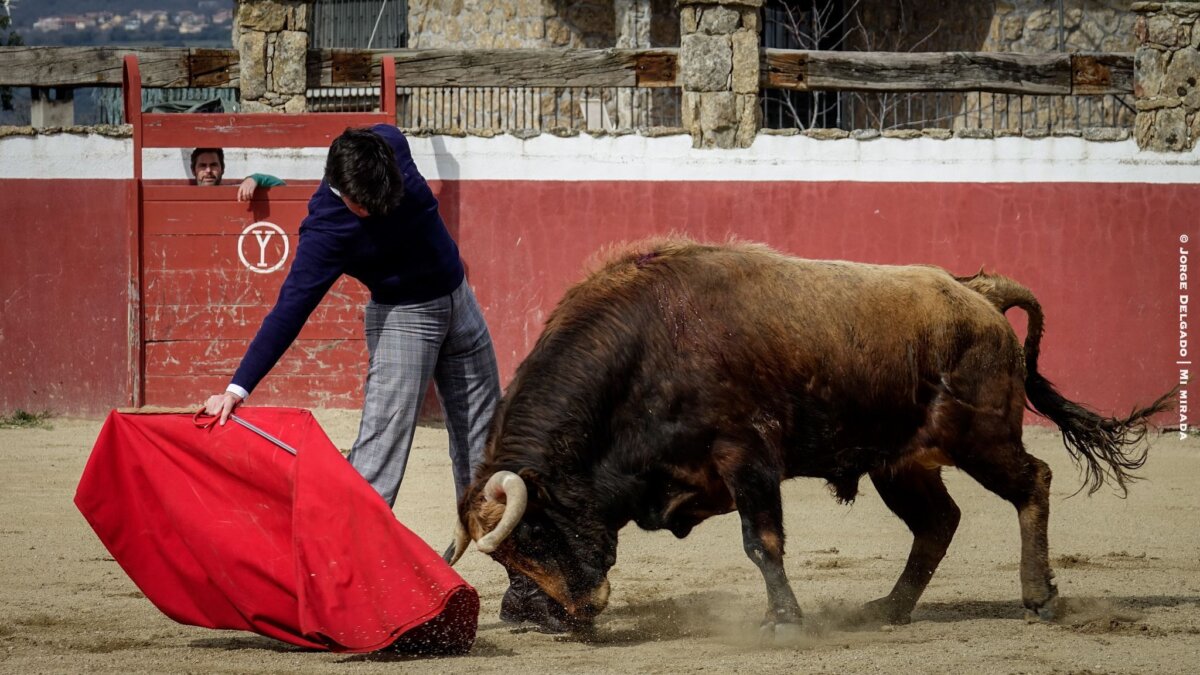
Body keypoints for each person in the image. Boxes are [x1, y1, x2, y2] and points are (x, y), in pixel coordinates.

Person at [200, 125, 570, 633]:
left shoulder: (390, 143)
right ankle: (341, 593)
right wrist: (237, 388)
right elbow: (289, 311)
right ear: (341, 189)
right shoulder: (327, 230)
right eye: (362, 207)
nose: (374, 213)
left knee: (489, 455)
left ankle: (528, 587)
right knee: (379, 458)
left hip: (460, 303)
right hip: (402, 320)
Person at [190, 147, 286, 201]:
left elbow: (281, 185)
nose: (208, 170)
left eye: (213, 165)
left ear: (222, 168)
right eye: (202, 166)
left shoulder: (237, 192)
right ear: (193, 170)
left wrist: (254, 179)